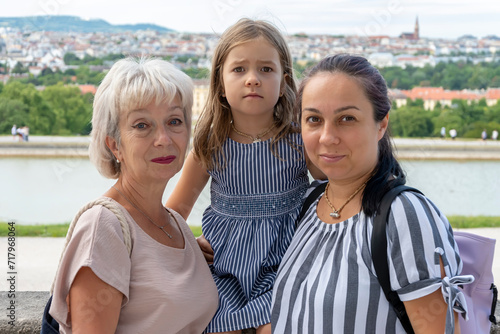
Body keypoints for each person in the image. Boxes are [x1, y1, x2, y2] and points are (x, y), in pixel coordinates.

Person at [271, 54, 470, 333]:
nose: (327, 137)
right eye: (314, 119)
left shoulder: (403, 214)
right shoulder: (307, 202)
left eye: (347, 118)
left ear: (381, 124)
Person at [49, 57, 218, 333]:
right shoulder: (103, 228)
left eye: (174, 121)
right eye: (142, 125)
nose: (163, 138)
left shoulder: (177, 225)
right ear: (114, 145)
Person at [166, 18, 311, 334]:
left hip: (285, 266)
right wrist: (189, 242)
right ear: (219, 82)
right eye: (239, 69)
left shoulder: (300, 141)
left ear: (285, 81)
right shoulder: (210, 144)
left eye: (266, 70)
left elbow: (335, 191)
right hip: (223, 269)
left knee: (274, 327)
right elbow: (173, 213)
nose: (253, 79)